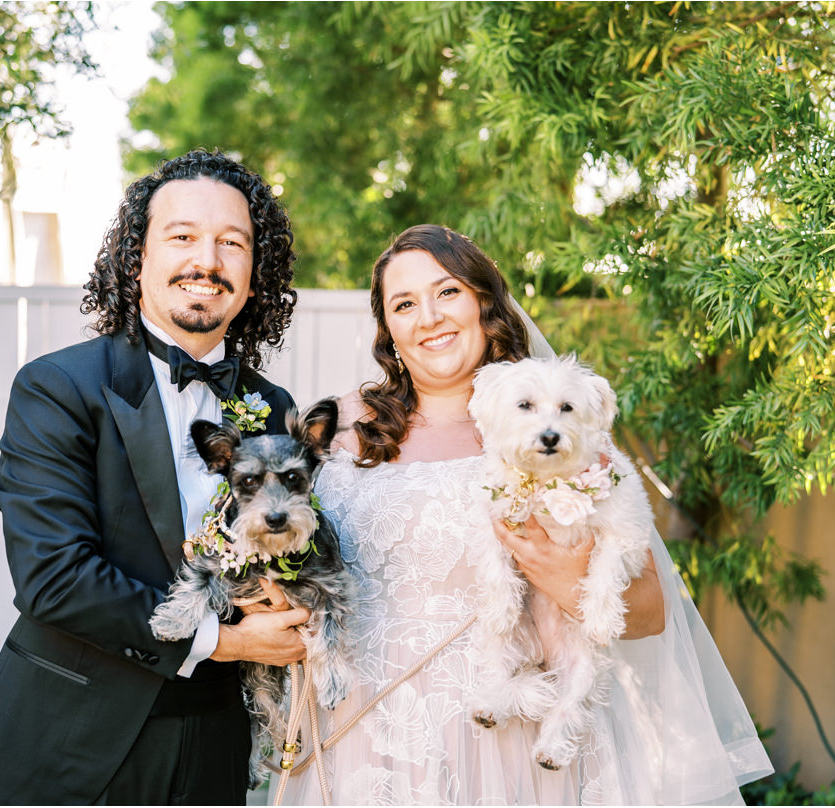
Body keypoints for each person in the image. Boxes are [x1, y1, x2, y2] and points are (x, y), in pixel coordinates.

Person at [276, 224, 773, 805]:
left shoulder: (559, 433)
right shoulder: (336, 426)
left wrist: (560, 575)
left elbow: (648, 612)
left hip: (510, 743)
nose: (429, 317)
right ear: (389, 331)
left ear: (486, 302)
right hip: (364, 736)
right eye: (404, 304)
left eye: (448, 292)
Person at [0, 149, 311, 806]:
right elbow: (53, 578)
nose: (209, 260)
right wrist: (220, 640)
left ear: (255, 276)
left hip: (213, 748)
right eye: (183, 237)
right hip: (68, 744)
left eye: (233, 242)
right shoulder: (59, 387)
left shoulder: (273, 406)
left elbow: (283, 550)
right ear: (137, 261)